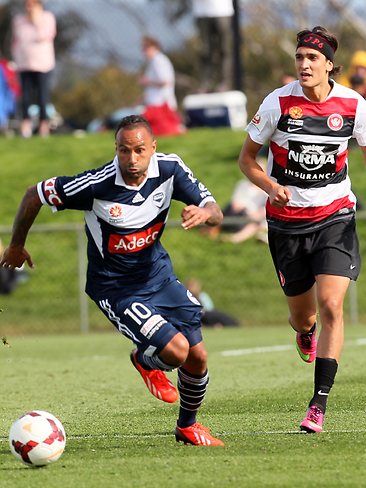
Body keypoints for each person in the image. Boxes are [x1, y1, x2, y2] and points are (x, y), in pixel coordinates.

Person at [0, 114, 224, 446]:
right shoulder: (95, 185)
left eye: (139, 150)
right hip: (115, 287)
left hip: (158, 276)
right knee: (176, 352)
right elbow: (35, 194)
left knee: (198, 356)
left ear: (153, 148)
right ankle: (144, 360)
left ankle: (187, 426)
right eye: (123, 150)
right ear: (115, 149)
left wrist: (205, 213)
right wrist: (17, 245)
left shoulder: (171, 169)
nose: (131, 160)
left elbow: (214, 208)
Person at [238, 26, 366, 434]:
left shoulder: (353, 105)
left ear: (330, 64)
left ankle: (318, 405)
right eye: (299, 58)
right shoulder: (277, 103)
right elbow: (247, 161)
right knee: (304, 315)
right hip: (287, 225)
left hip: (335, 218)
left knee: (332, 306)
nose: (304, 64)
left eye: (312, 58)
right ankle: (304, 332)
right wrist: (271, 186)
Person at [11, 0, 56, 138]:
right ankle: (25, 125)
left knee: (42, 96)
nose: (28, 8)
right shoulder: (18, 20)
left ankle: (44, 125)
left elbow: (45, 35)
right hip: (24, 64)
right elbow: (17, 40)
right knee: (25, 97)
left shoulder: (47, 18)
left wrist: (35, 20)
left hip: (43, 64)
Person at [139, 36, 184, 136]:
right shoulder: (154, 62)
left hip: (161, 104)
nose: (144, 51)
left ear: (154, 47)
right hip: (155, 104)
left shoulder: (159, 61)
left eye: (146, 48)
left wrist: (147, 81)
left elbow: (165, 81)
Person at [192, 0, 234, 92]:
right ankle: (206, 82)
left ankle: (225, 82)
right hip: (201, 12)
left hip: (223, 11)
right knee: (205, 51)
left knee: (224, 50)